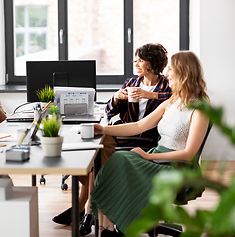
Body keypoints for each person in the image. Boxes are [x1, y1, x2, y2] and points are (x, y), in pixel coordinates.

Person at [52, 43, 172, 236]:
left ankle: (85, 209)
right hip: (122, 133)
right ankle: (90, 209)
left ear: (152, 63)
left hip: (145, 138)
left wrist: (150, 94)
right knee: (96, 150)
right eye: (136, 59)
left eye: (140, 60)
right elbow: (109, 110)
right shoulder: (131, 83)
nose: (136, 63)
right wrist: (116, 98)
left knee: (97, 155)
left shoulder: (167, 85)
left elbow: (175, 98)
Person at [90, 51, 209, 237]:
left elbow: (188, 154)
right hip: (157, 157)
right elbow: (139, 125)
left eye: (170, 68)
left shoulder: (200, 108)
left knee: (120, 160)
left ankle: (113, 228)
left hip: (177, 166)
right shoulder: (173, 101)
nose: (167, 73)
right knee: (117, 160)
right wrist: (104, 130)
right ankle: (108, 228)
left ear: (184, 72)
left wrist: (148, 156)